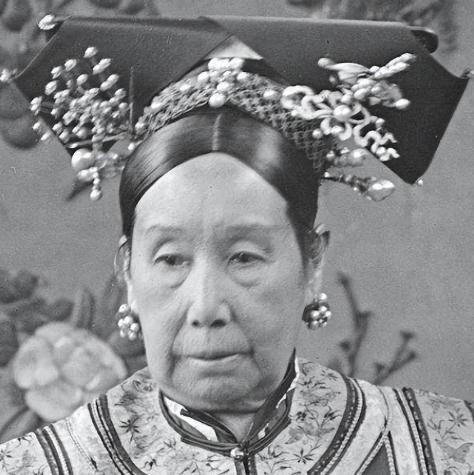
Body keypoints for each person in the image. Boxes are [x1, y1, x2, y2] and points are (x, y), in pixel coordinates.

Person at [0, 15, 473, 475]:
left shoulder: (447, 449)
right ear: (128, 273)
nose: (206, 307)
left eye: (244, 257)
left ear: (312, 263)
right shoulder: (37, 466)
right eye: (171, 259)